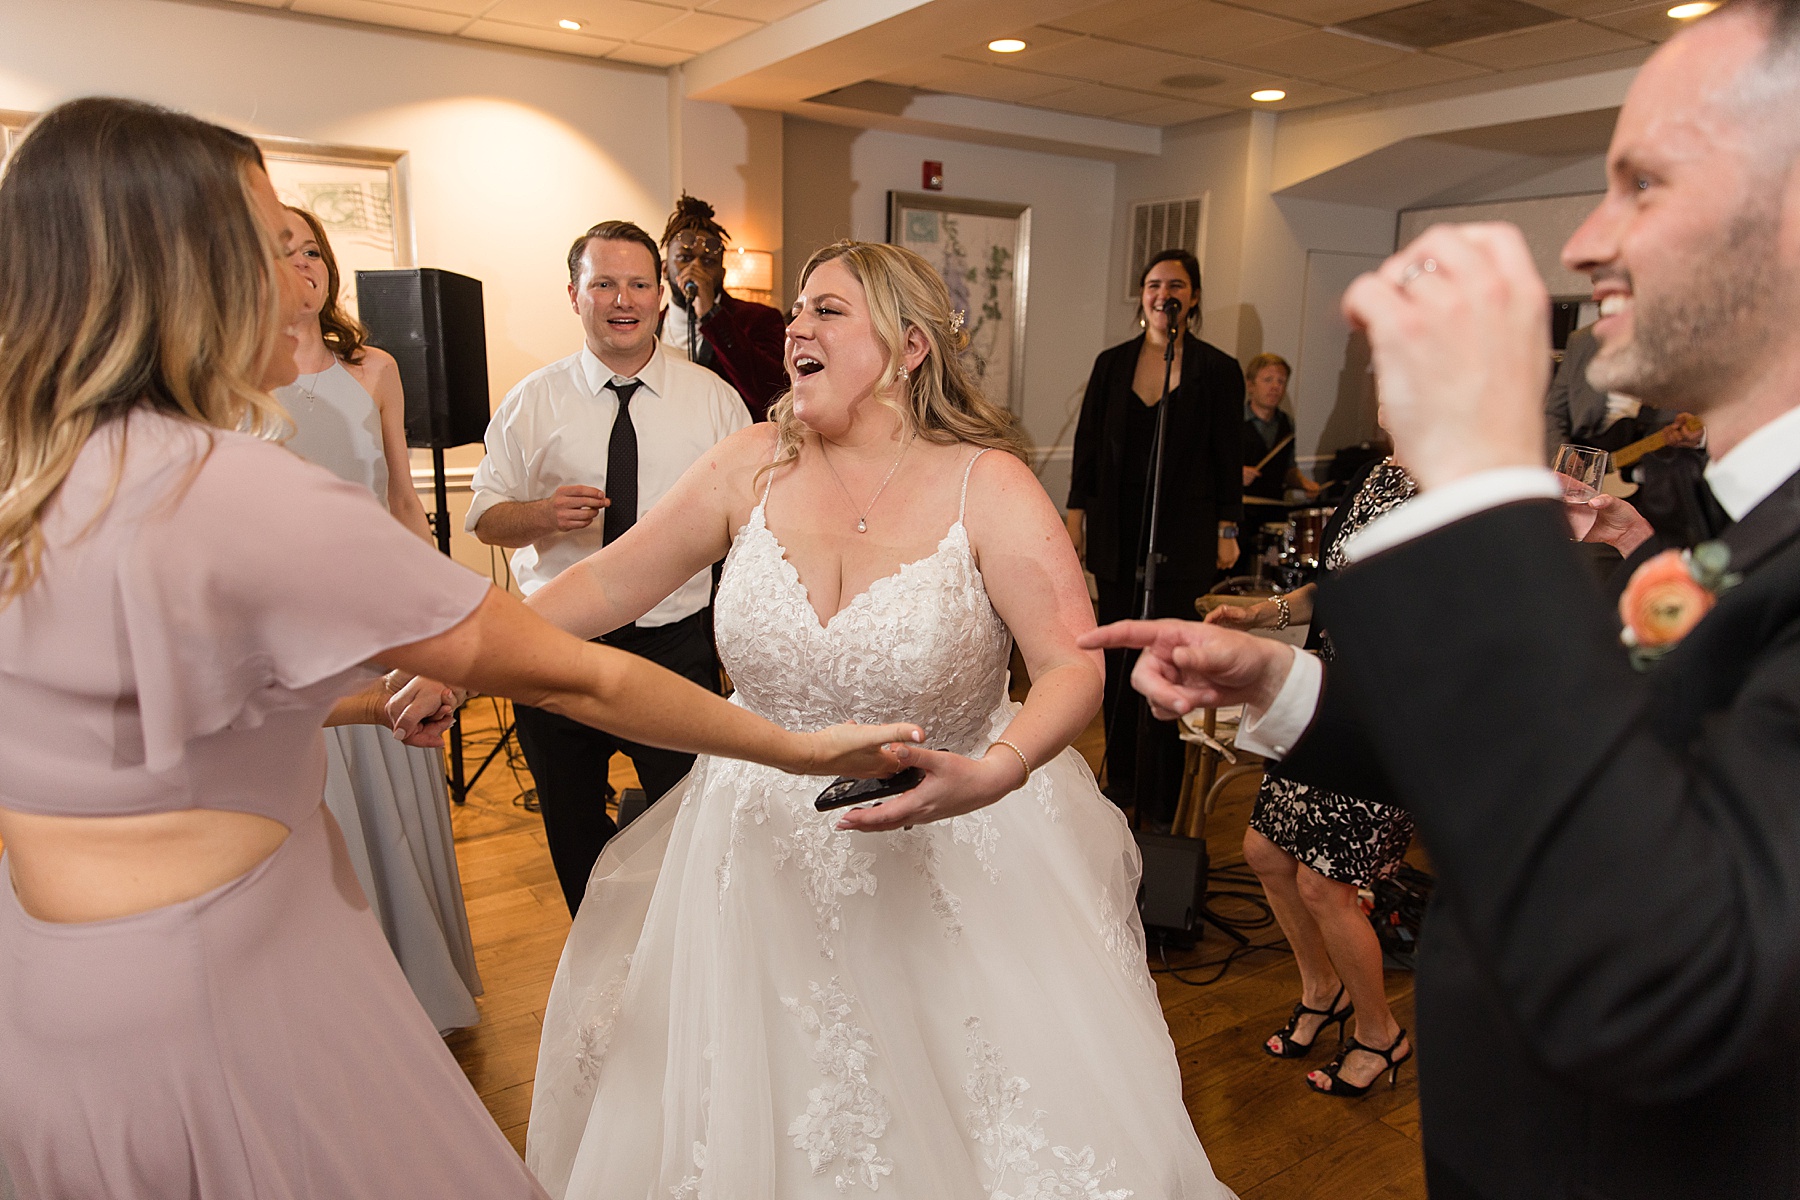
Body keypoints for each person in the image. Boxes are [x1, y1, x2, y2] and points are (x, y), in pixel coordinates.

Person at [0, 98, 909, 1200]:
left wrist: (369, 696)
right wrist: (797, 749)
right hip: (227, 1002)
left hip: (44, 1002)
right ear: (185, 269)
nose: (295, 278)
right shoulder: (236, 492)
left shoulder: (33, 476)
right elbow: (574, 666)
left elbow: (164, 714)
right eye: (262, 242)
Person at [1085, 0, 1800, 1194]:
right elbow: (1576, 763)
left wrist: (1477, 479)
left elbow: (1669, 972)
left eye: (1644, 185)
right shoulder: (1703, 517)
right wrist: (1289, 690)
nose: (1585, 240)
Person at [481, 240, 1232, 1198]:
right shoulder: (750, 463)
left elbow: (1069, 672)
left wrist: (997, 769)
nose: (796, 327)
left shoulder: (988, 484)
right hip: (751, 856)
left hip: (952, 844)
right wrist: (461, 657)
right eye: (797, 311)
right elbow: (603, 583)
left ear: (910, 346)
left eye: (827, 310)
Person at [467, 220, 751, 915]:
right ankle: (596, 976)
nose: (621, 299)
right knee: (572, 825)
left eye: (637, 284)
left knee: (690, 819)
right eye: (603, 283)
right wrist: (539, 515)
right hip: (551, 648)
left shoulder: (713, 401)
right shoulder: (532, 401)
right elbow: (482, 515)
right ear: (574, 294)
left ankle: (683, 959)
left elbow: (754, 529)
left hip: (673, 646)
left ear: (661, 296)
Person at [276, 204, 483, 1033]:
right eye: (283, 251)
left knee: (391, 781)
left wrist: (436, 616)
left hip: (375, 617)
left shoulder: (373, 368)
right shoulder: (215, 377)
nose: (306, 264)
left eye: (313, 249)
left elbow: (403, 500)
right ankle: (332, 1002)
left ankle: (410, 982)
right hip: (288, 630)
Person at [1206, 454, 1417, 1098]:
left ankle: (1380, 1034)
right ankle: (1322, 990)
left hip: (1391, 704)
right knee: (1264, 852)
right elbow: (1335, 586)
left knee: (1326, 885)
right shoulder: (1380, 474)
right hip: (1328, 691)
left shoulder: (1460, 478)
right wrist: (1262, 614)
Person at [1066, 248, 1243, 829]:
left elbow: (1226, 457)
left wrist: (1226, 528)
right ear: (1141, 296)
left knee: (1168, 666)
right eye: (1153, 284)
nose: (1162, 293)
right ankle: (1121, 784)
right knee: (1119, 663)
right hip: (1119, 536)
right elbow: (1089, 448)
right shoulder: (1112, 364)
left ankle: (1163, 798)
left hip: (1184, 538)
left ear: (1192, 298)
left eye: (1176, 284)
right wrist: (1075, 517)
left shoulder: (1217, 370)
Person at [1547, 323, 1711, 546]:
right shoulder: (1582, 340)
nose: (1602, 299)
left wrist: (1700, 437)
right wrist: (1564, 459)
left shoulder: (1689, 338)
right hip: (1584, 482)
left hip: (1659, 490)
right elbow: (1552, 413)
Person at [659, 192, 788, 420]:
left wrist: (712, 317)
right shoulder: (648, 326)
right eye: (685, 258)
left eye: (708, 262)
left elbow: (772, 397)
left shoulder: (760, 319)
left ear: (722, 273)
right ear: (664, 269)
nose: (696, 268)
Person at [1240, 352, 1321, 503]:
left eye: (1281, 381)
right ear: (1250, 385)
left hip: (1275, 508)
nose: (1275, 387)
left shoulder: (1286, 422)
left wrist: (1304, 483)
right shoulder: (1233, 420)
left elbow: (1288, 470)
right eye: (1268, 380)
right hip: (1240, 511)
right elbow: (1209, 467)